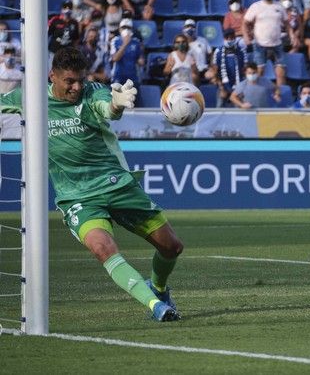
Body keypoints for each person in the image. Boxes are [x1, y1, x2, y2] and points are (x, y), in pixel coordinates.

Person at [0, 47, 182, 321]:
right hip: (77, 197)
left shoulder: (92, 91)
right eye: (69, 81)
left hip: (116, 185)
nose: (76, 87)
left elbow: (105, 107)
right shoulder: (31, 97)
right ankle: (156, 307)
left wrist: (116, 104)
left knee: (171, 247)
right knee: (103, 248)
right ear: (53, 77)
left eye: (80, 80)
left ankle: (157, 288)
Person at [243, 0, 290, 87]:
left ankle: (281, 96)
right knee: (259, 72)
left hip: (277, 44)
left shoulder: (279, 6)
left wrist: (293, 36)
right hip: (260, 44)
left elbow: (287, 22)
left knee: (280, 73)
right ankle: (257, 95)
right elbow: (245, 22)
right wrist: (246, 36)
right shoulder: (256, 6)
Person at [207, 28, 248, 107]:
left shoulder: (242, 51)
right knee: (219, 107)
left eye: (232, 37)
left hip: (238, 86)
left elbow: (245, 71)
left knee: (240, 110)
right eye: (227, 37)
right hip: (223, 86)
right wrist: (222, 88)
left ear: (235, 38)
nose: (229, 39)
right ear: (223, 38)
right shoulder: (218, 51)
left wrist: (242, 88)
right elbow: (215, 71)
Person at [109, 19, 144, 89]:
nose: (126, 30)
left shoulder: (136, 42)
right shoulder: (115, 41)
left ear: (131, 30)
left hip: (133, 78)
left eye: (128, 28)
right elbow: (115, 58)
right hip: (118, 77)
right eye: (124, 28)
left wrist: (141, 58)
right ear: (120, 29)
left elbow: (141, 61)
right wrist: (125, 44)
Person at [48, 1, 81, 67]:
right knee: (52, 71)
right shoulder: (55, 20)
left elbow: (76, 39)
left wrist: (74, 53)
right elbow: (47, 34)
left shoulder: (74, 23)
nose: (67, 9)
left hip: (67, 54)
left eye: (69, 7)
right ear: (62, 9)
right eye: (65, 7)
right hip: (54, 52)